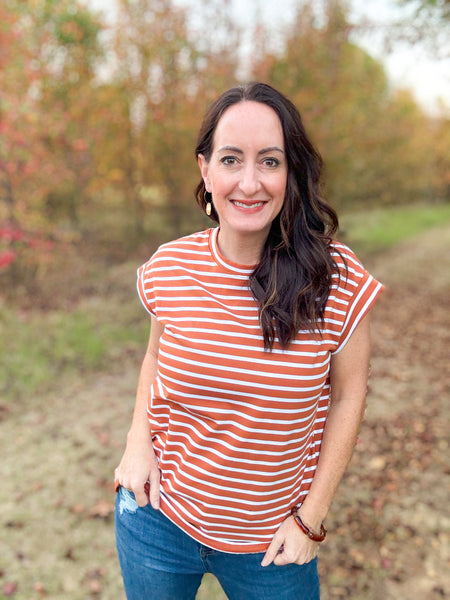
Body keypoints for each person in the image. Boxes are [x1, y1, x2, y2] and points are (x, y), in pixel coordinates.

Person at [114, 82, 384, 600]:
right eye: (232, 159)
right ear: (205, 170)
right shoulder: (171, 266)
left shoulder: (336, 278)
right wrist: (136, 442)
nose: (250, 182)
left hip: (271, 546)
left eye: (270, 161)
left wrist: (311, 519)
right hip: (156, 520)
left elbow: (349, 397)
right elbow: (154, 357)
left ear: (291, 172)